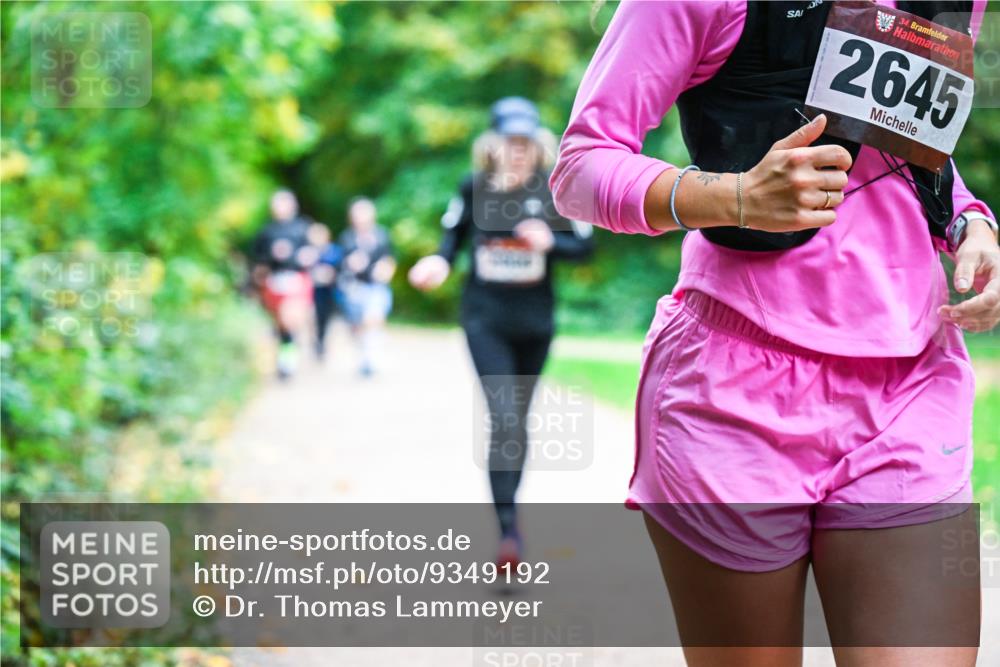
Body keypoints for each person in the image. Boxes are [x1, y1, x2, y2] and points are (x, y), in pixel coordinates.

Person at [552, 1, 999, 665]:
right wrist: (731, 196)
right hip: (733, 392)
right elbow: (579, 167)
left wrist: (969, 224)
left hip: (909, 384)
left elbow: (910, 153)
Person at [409, 97, 594, 570]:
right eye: (509, 143)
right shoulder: (473, 188)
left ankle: (510, 515)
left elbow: (584, 248)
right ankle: (508, 531)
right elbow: (449, 242)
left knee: (518, 422)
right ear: (492, 145)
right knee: (504, 417)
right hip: (484, 318)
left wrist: (551, 241)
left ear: (538, 147)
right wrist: (436, 263)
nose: (517, 151)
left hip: (534, 323)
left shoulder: (555, 191)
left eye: (525, 143)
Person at [251, 189, 317, 379]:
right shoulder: (266, 231)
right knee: (281, 324)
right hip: (274, 281)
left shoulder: (302, 227)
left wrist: (298, 256)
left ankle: (289, 359)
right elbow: (258, 261)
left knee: (291, 319)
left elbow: (312, 253)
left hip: (296, 278)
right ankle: (285, 355)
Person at [337, 197, 396, 377]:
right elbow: (339, 263)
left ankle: (372, 358)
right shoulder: (346, 237)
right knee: (357, 326)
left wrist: (385, 269)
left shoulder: (382, 235)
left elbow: (390, 259)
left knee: (373, 318)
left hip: (376, 287)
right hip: (354, 289)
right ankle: (364, 355)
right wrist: (350, 263)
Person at [307, 221, 342, 361]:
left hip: (328, 292)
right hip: (310, 292)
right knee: (310, 318)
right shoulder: (307, 252)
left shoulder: (334, 251)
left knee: (324, 320)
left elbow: (340, 269)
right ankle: (314, 342)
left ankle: (321, 342)